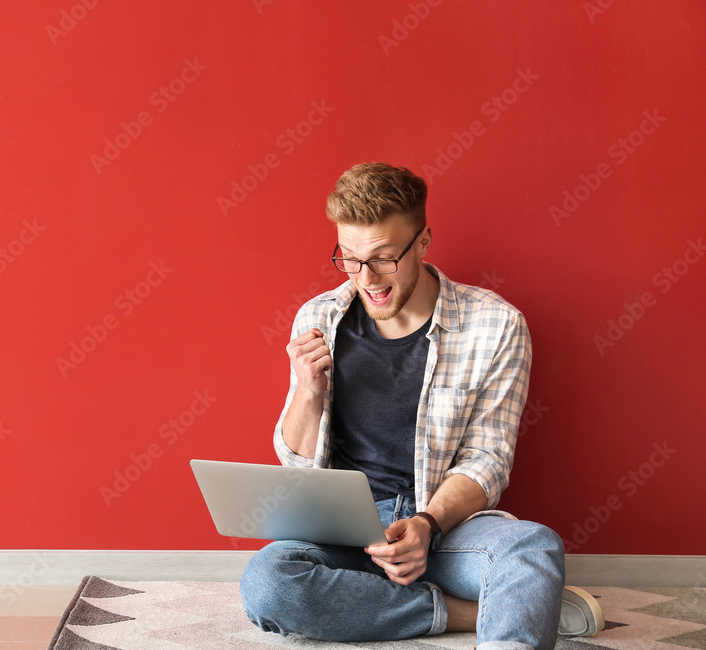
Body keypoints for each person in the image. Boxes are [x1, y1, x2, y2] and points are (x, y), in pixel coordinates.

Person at [239, 163, 604, 649]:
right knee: (268, 582)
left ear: (424, 240)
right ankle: (474, 612)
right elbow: (296, 464)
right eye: (348, 257)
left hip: (446, 529)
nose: (365, 278)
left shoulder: (496, 325)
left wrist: (426, 524)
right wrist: (308, 392)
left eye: (384, 258)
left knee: (533, 547)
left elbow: (488, 460)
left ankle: (508, 610)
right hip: (348, 531)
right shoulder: (319, 317)